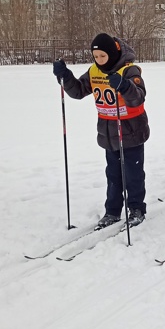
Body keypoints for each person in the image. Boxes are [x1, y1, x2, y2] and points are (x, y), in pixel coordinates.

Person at [53, 34, 149, 229]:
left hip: (131, 130)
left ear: (112, 54)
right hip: (108, 133)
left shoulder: (129, 70)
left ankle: (136, 208)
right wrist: (65, 77)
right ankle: (112, 211)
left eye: (102, 56)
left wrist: (123, 85)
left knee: (133, 174)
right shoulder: (94, 71)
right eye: (95, 57)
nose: (99, 61)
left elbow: (138, 97)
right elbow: (79, 91)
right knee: (113, 175)